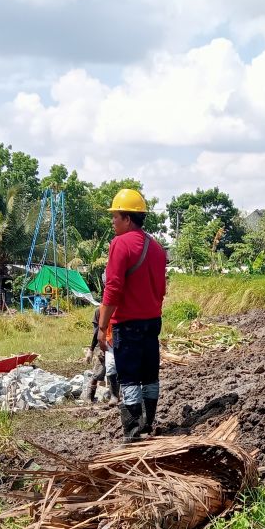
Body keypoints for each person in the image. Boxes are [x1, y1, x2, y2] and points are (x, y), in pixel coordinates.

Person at [97, 187, 167, 442]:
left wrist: (102, 326)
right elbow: (161, 289)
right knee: (150, 375)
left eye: (115, 216)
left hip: (128, 324)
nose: (113, 221)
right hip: (152, 322)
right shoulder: (157, 247)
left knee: (128, 379)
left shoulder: (120, 244)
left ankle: (133, 432)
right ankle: (148, 424)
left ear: (128, 218)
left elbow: (112, 289)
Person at [85, 306, 119, 403]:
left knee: (117, 371)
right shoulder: (99, 310)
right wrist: (91, 350)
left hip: (117, 342)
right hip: (103, 343)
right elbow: (97, 332)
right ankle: (89, 397)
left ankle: (115, 396)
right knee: (99, 371)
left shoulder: (120, 308)